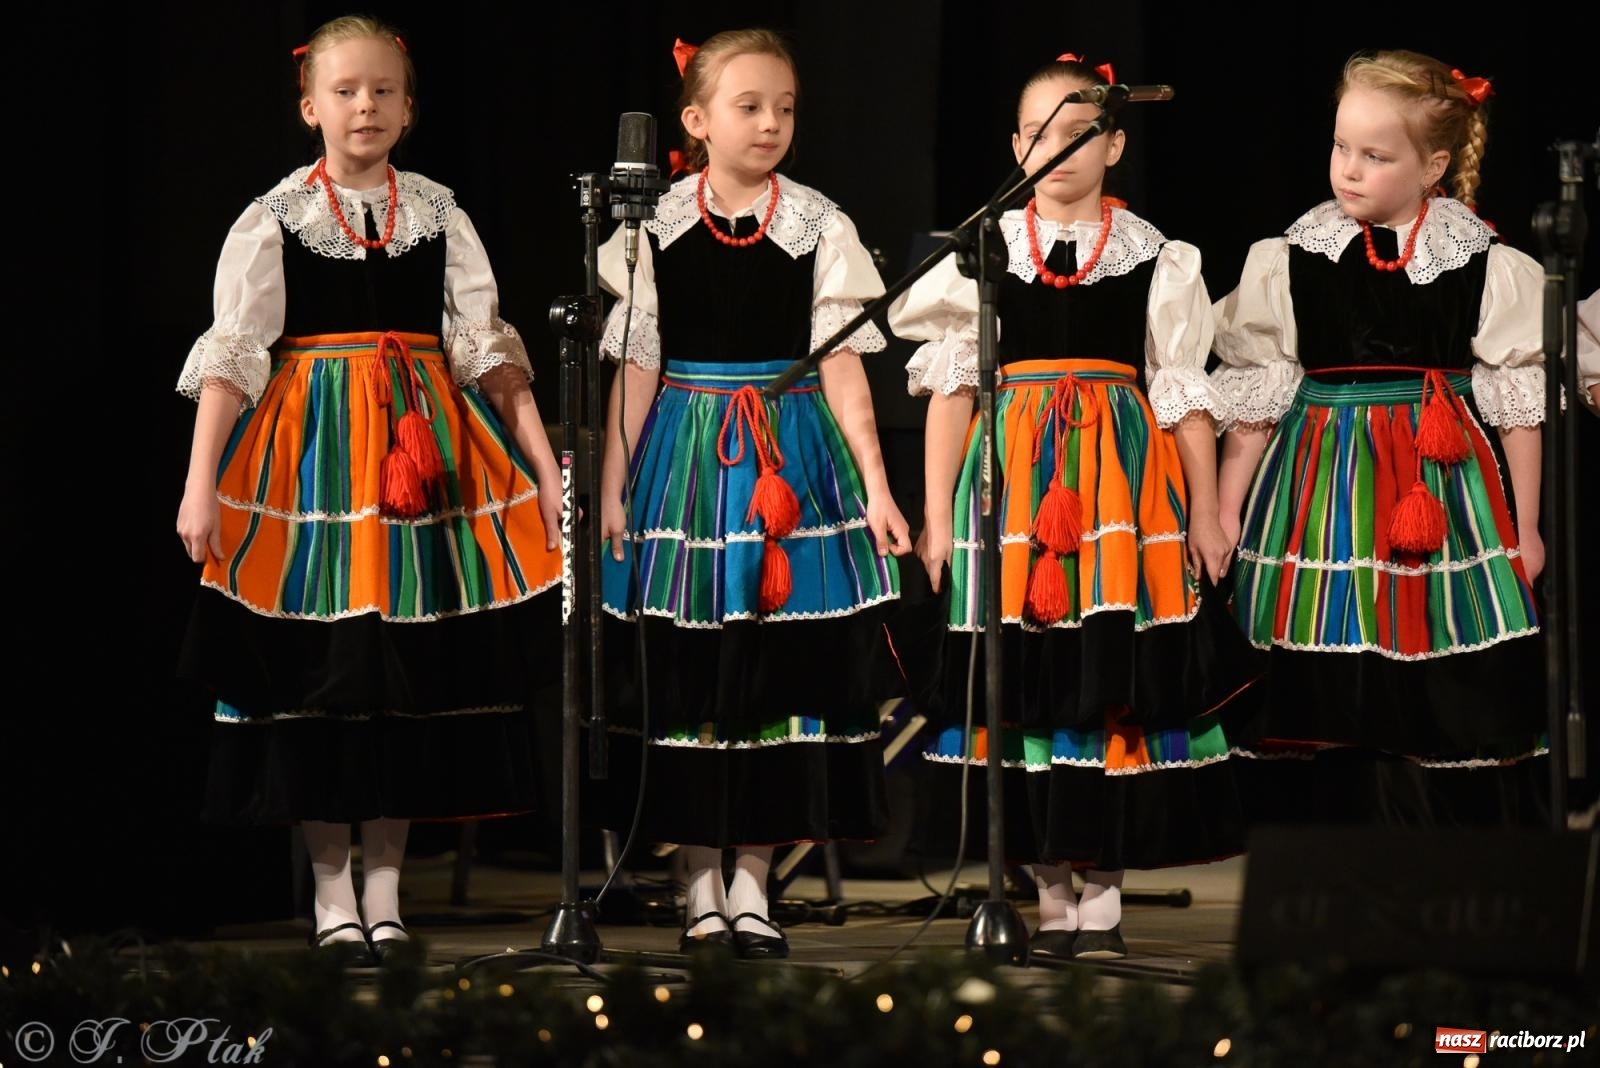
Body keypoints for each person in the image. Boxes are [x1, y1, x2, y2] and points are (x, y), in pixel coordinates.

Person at [174, 15, 562, 963]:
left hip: (424, 467)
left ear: (410, 107)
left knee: (406, 681)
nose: (366, 106)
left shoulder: (440, 213)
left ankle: (386, 894)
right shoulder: (275, 217)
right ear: (311, 105)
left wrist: (547, 470)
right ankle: (331, 895)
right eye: (347, 90)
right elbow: (234, 356)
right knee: (327, 676)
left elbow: (488, 354)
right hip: (313, 469)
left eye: (384, 91)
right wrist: (201, 485)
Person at [889, 55, 1255, 962]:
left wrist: (1206, 511)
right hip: (1014, 492)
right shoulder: (985, 252)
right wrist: (936, 515)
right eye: (1042, 132)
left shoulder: (1157, 260)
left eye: (1081, 131)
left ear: (1116, 143)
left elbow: (1183, 397)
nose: (1060, 148)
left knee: (1110, 669)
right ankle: (1050, 891)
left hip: (1119, 494)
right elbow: (950, 393)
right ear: (1017, 145)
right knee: (1029, 675)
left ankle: (1105, 894)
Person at [594, 29, 912, 961]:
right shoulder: (652, 226)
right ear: (694, 120)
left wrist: (878, 488)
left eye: (784, 108)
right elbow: (636, 367)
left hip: (791, 457)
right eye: (749, 106)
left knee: (781, 667)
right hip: (687, 459)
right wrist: (612, 486)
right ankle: (699, 880)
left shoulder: (818, 223)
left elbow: (847, 370)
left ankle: (754, 883)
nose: (771, 123)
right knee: (697, 673)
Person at [1212, 50, 1547, 826]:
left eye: (1375, 155)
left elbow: (1517, 406)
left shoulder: (1482, 265)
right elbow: (1257, 400)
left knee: (1430, 663)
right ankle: (1324, 866)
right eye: (1340, 147)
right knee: (1326, 668)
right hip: (1318, 484)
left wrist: (1525, 528)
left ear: (1433, 166)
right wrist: (1227, 511)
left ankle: (1441, 867)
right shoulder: (1291, 259)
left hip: (1436, 484)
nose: (1349, 170)